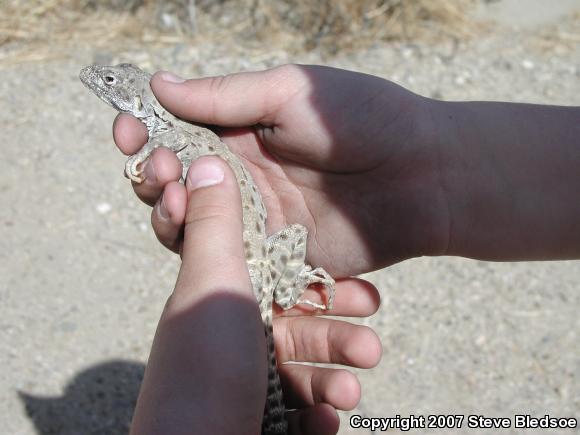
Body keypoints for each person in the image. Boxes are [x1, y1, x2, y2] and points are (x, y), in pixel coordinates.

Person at [112, 65, 579, 435]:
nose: (101, 84)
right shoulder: (172, 134)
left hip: (258, 259)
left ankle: (291, 286)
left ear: (135, 101)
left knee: (274, 405)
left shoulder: (169, 135)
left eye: (111, 82)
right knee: (272, 398)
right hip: (266, 253)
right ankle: (292, 283)